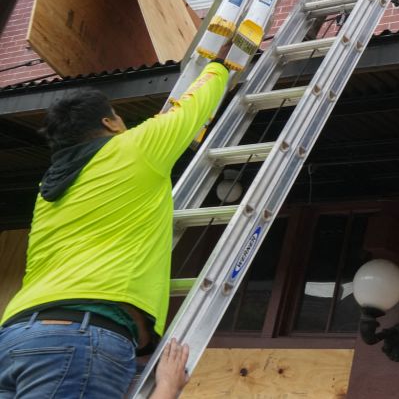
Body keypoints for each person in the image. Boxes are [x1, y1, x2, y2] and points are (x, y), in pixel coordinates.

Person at [0, 63, 229, 399]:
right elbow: (196, 104)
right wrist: (219, 66)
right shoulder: (136, 146)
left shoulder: (48, 188)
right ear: (108, 122)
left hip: (15, 337)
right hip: (80, 337)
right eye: (119, 118)